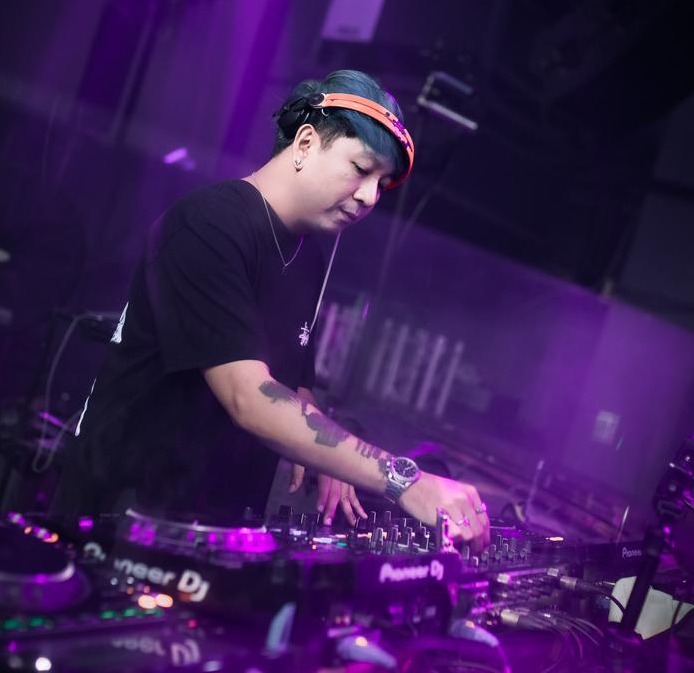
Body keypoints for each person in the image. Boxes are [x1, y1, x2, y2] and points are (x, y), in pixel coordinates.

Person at [51, 70, 489, 547]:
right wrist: (404, 480)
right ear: (306, 143)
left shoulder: (309, 255)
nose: (369, 197)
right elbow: (252, 398)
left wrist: (336, 459)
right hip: (120, 520)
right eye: (361, 169)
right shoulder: (209, 224)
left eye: (381, 184)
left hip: (215, 526)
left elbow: (295, 387)